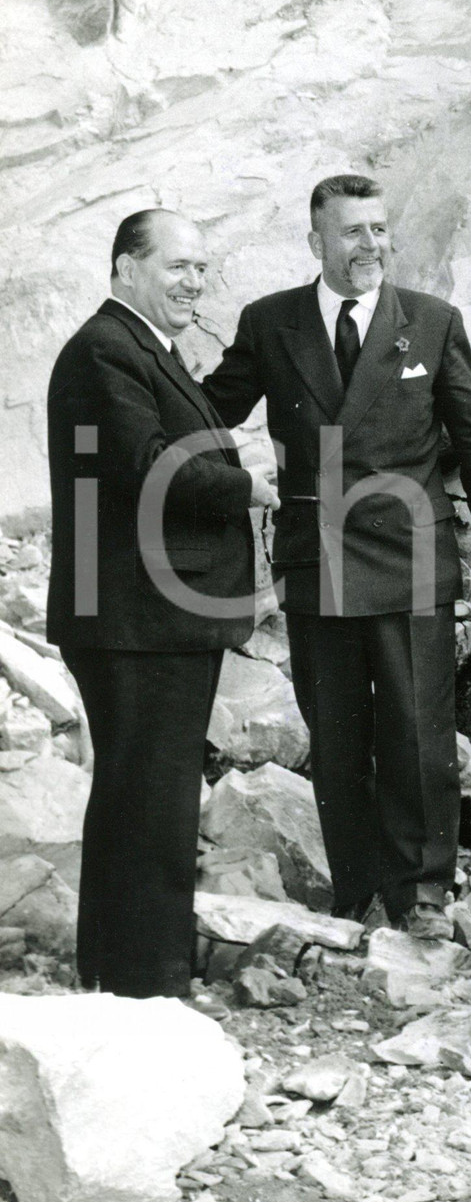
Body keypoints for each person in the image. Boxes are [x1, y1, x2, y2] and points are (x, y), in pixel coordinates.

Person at [201, 174, 471, 940]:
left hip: (410, 551)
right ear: (317, 242)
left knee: (417, 730)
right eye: (352, 232)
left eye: (380, 229)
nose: (371, 245)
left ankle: (424, 893)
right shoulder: (270, 323)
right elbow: (208, 413)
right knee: (338, 735)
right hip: (315, 558)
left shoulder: (432, 322)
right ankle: (357, 891)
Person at [47, 208, 278, 1002]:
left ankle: (118, 973)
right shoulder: (107, 350)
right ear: (124, 270)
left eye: (202, 269)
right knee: (152, 803)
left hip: (146, 616)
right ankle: (148, 988)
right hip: (137, 618)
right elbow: (146, 467)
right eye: (177, 266)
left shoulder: (143, 348)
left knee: (138, 796)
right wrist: (246, 486)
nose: (194, 282)